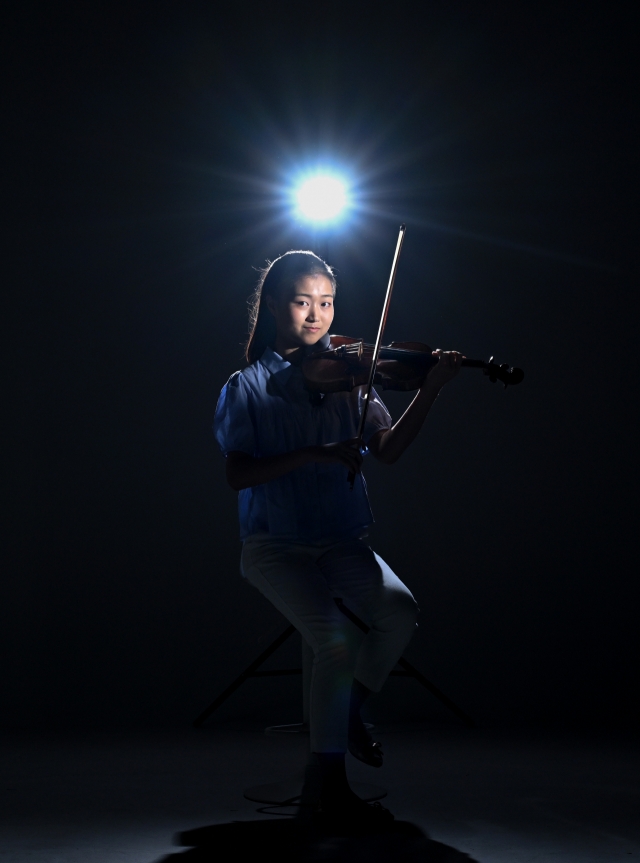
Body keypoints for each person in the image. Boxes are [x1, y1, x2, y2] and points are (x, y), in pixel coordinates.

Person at [213, 250, 462, 828]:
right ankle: (325, 783)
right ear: (274, 303)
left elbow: (389, 450)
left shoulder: (353, 375)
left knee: (399, 612)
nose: (317, 315)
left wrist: (432, 389)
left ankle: (347, 712)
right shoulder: (246, 386)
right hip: (275, 545)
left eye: (326, 303)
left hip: (342, 540)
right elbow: (237, 474)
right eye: (302, 302)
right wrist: (314, 453)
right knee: (335, 643)